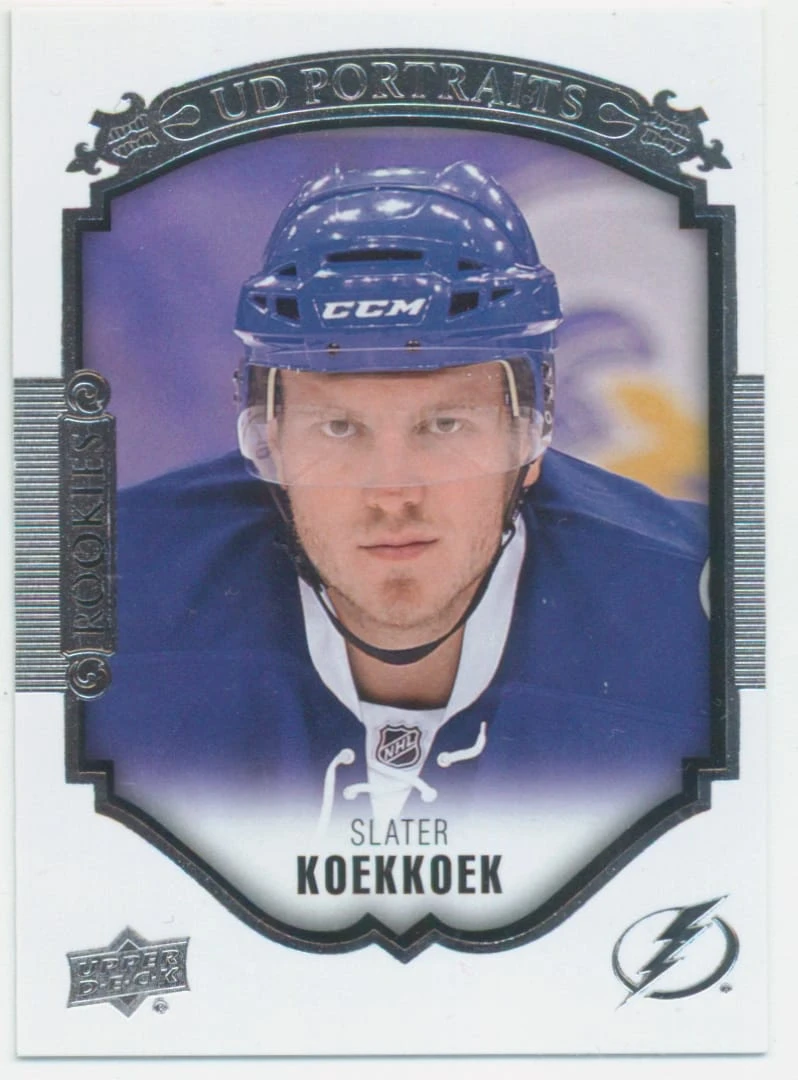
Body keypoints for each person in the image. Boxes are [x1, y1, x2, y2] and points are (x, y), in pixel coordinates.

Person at [84, 163, 709, 909]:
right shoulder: (99, 595)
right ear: (270, 436)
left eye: (444, 425)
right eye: (337, 428)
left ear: (531, 432)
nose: (392, 494)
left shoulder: (708, 613)